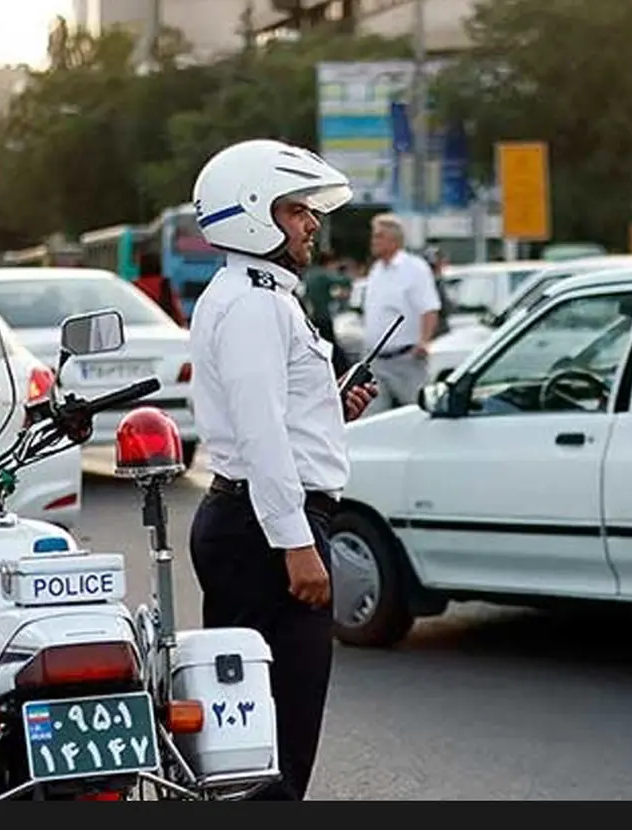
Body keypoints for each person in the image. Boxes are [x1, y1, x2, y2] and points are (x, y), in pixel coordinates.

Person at [186, 138, 377, 801]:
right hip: (263, 532)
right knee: (275, 738)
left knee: (258, 734)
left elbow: (275, 420)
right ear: (253, 214)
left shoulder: (259, 295)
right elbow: (262, 436)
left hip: (252, 521)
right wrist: (297, 545)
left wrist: (334, 408)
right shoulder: (253, 303)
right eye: (297, 210)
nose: (311, 224)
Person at [359, 213, 441, 416]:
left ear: (394, 240)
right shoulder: (376, 270)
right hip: (376, 361)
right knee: (372, 419)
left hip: (405, 359)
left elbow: (429, 308)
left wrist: (424, 340)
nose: (373, 241)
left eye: (379, 236)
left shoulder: (414, 268)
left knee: (419, 413)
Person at [132, 251, 187, 326]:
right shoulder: (164, 284)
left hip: (141, 326)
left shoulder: (135, 286)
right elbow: (175, 308)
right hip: (163, 326)